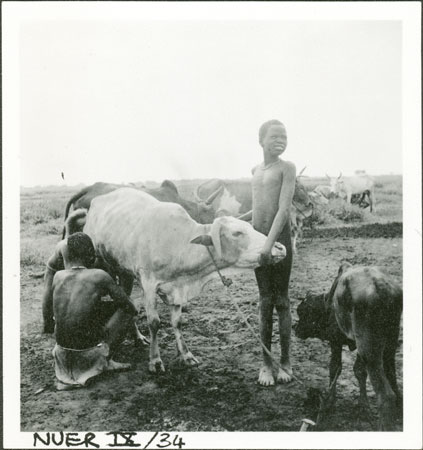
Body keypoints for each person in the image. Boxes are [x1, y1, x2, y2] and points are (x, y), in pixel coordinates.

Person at [51, 232, 137, 390]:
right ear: (91, 255)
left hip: (62, 356)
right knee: (126, 311)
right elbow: (128, 306)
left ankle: (76, 369)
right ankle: (106, 360)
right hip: (87, 357)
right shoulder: (100, 276)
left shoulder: (58, 276)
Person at [252, 119, 296, 386]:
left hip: (279, 244)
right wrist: (234, 220)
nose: (280, 140)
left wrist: (269, 244)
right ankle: (266, 363)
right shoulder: (255, 171)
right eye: (275, 136)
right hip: (259, 243)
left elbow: (283, 209)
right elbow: (258, 209)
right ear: (261, 140)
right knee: (264, 302)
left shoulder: (287, 168)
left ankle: (286, 361)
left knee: (281, 301)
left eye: (284, 136)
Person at [42, 209, 87, 334]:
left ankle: (49, 325)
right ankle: (48, 325)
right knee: (49, 293)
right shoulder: (68, 245)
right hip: (53, 269)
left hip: (57, 266)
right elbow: (70, 275)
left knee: (50, 292)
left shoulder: (72, 241)